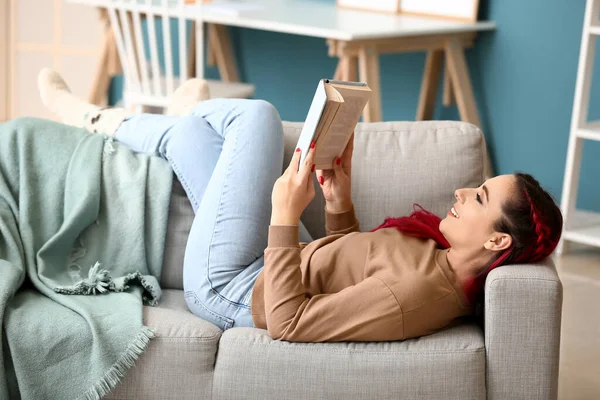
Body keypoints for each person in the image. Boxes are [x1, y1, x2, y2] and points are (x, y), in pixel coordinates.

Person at [36, 69, 563, 343]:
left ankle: (97, 118)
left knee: (257, 118)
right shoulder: (439, 257)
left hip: (237, 290)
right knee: (195, 141)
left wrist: (284, 218)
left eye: (480, 197)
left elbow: (289, 321)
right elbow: (349, 268)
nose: (460, 193)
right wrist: (340, 206)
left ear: (497, 240)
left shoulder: (418, 295)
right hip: (276, 269)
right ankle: (149, 121)